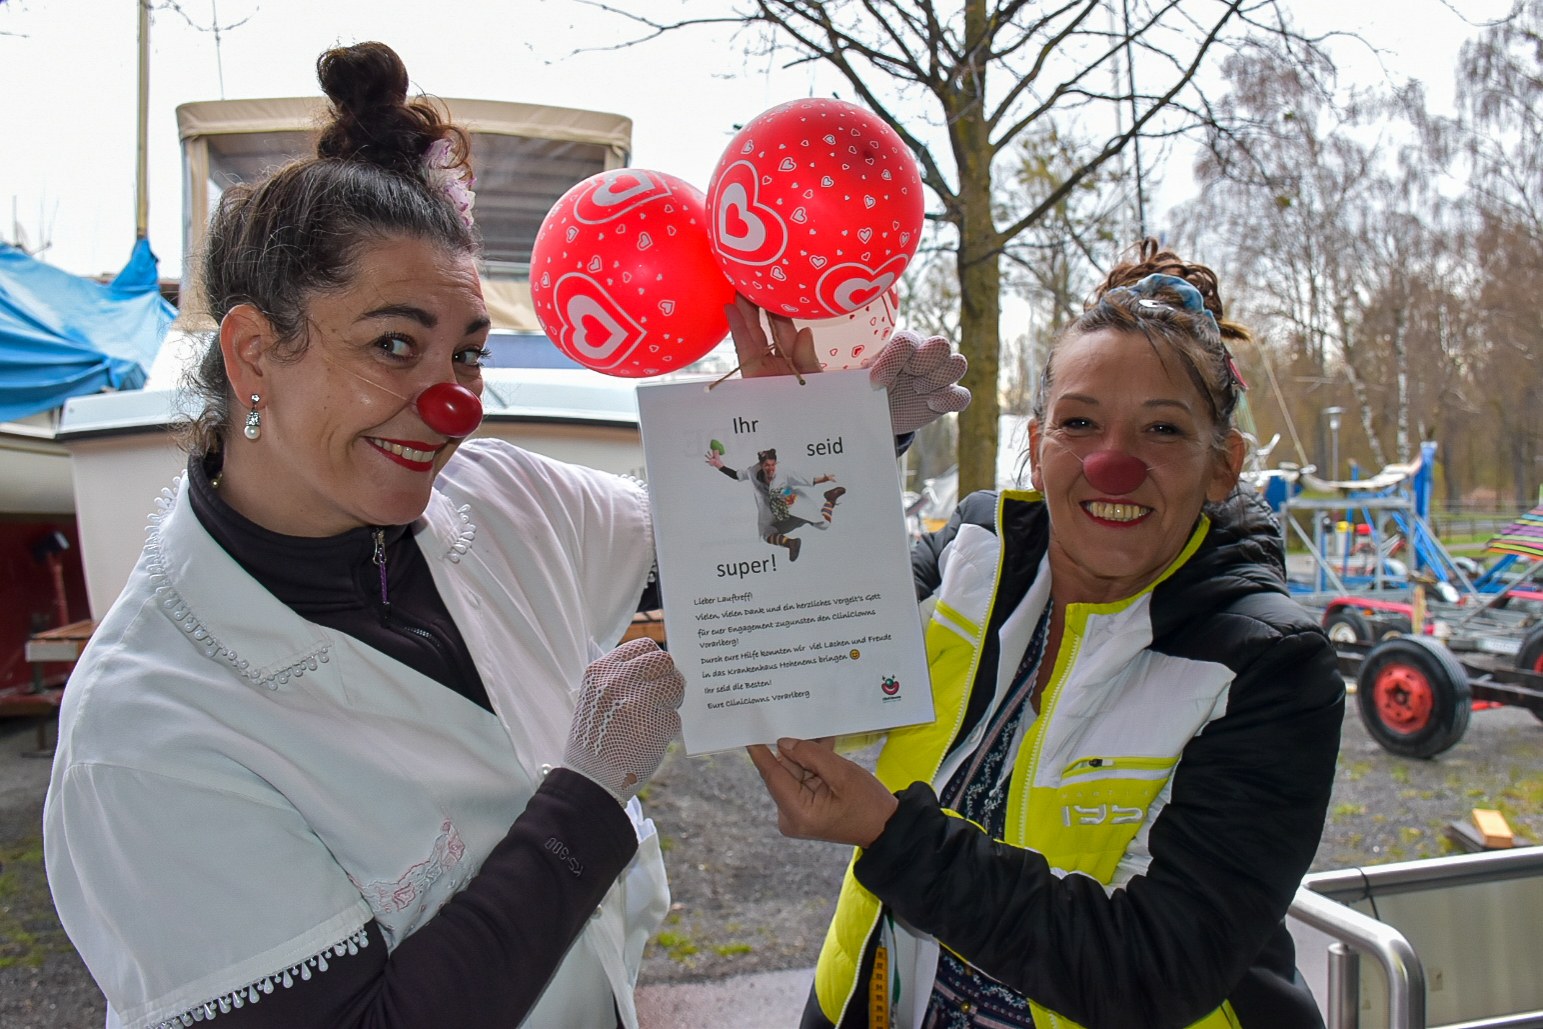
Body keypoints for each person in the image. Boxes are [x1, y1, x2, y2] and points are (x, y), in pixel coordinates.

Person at [42, 42, 685, 1029]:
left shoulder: (491, 494)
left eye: (466, 354)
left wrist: (839, 419)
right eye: (394, 344)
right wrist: (587, 797)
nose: (453, 404)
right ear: (254, 354)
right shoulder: (144, 729)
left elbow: (697, 547)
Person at [750, 239, 1346, 1029]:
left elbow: (1154, 967)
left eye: (1162, 429)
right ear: (1035, 448)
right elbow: (798, 668)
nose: (1111, 463)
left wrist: (890, 835)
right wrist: (798, 449)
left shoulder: (1269, 665)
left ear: (1221, 465)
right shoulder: (969, 552)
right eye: (1079, 422)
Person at [706, 445, 847, 561]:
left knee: (824, 525)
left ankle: (830, 499)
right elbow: (736, 475)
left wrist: (824, 478)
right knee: (767, 534)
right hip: (778, 514)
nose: (770, 468)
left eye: (773, 464)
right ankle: (791, 543)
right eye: (766, 465)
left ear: (776, 463)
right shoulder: (753, 472)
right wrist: (718, 464)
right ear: (761, 465)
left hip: (795, 505)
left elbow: (806, 479)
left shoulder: (783, 472)